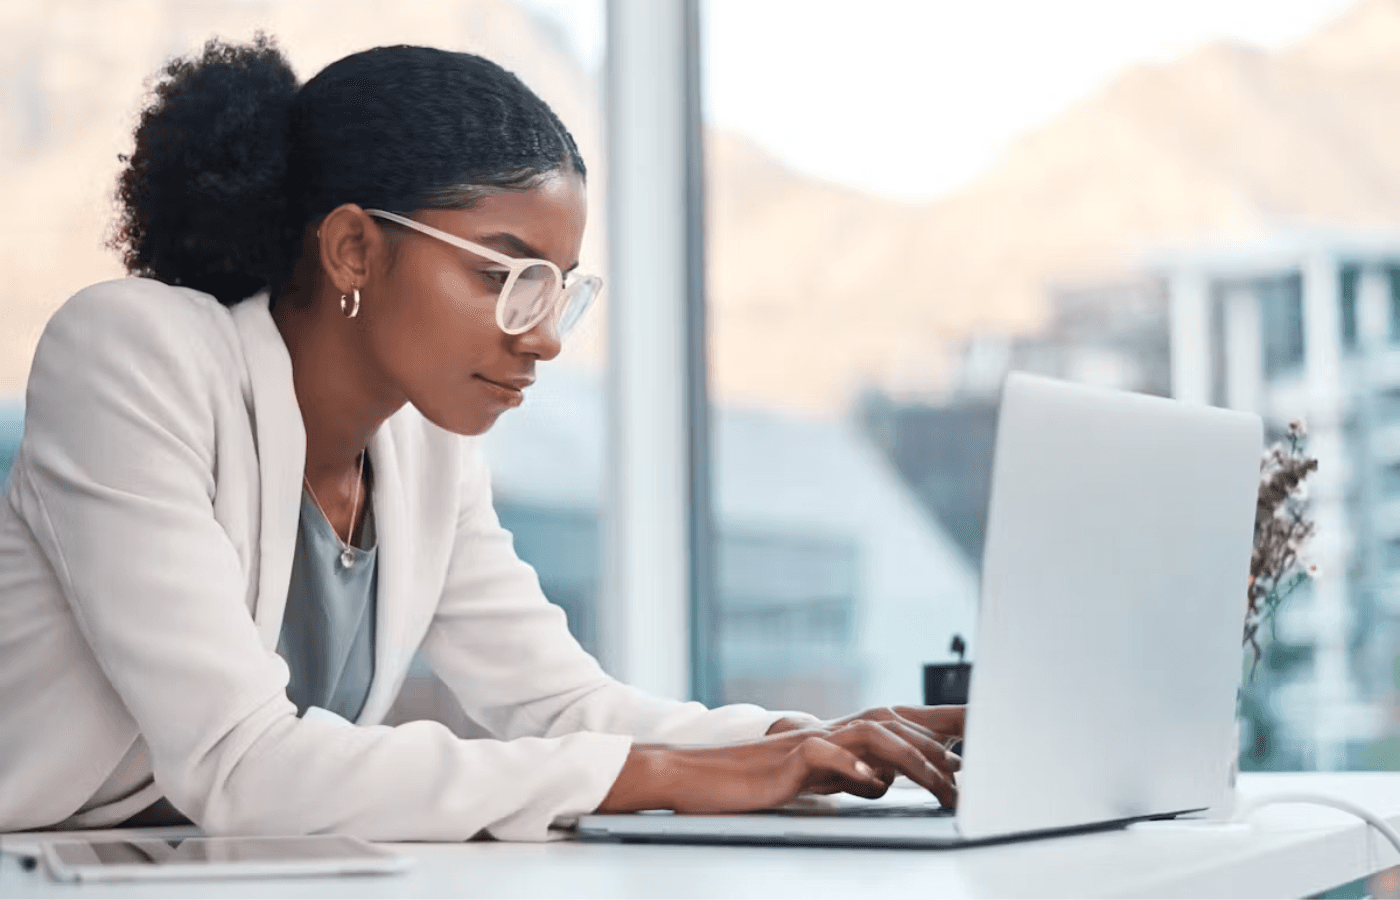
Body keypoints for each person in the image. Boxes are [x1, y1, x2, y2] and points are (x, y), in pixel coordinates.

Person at [0, 37, 962, 841]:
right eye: (507, 275)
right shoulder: (131, 353)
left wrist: (809, 739)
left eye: (559, 289)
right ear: (353, 248)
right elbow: (242, 764)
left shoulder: (424, 449)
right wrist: (667, 774)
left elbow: (560, 706)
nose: (542, 335)